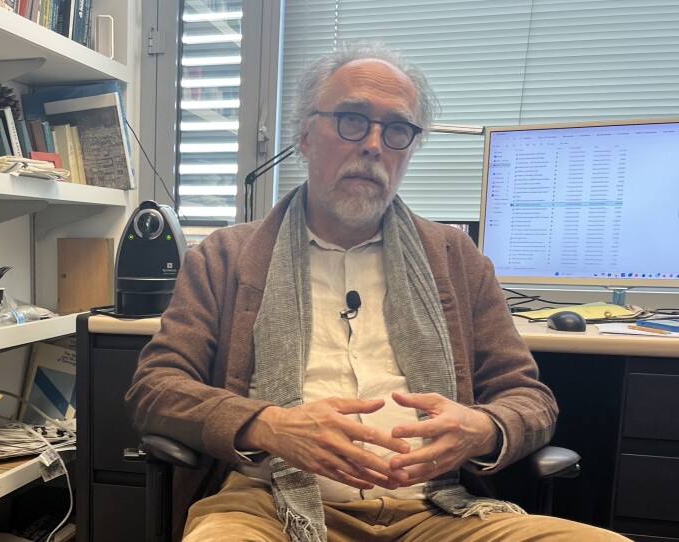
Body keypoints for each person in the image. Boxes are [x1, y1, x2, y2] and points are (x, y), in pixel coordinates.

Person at [125, 43, 628, 542]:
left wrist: (483, 429)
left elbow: (530, 399)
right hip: (270, 508)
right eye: (352, 120)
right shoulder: (223, 257)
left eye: (396, 130)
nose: (373, 145)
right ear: (304, 134)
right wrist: (268, 425)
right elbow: (156, 388)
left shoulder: (458, 259)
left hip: (439, 511)